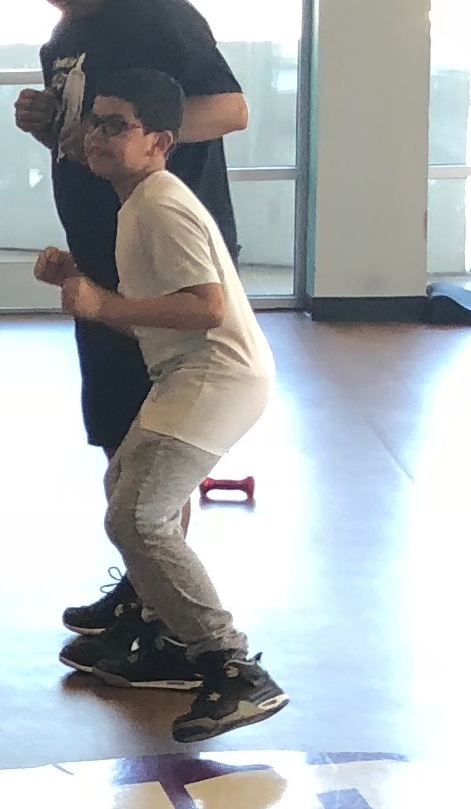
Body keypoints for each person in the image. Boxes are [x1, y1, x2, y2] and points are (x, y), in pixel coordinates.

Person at [11, 0, 248, 637]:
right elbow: (81, 140)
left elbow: (232, 109)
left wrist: (133, 136)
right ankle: (145, 582)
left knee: (157, 441)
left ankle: (168, 611)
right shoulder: (65, 35)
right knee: (121, 432)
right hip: (101, 250)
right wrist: (51, 123)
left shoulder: (157, 17)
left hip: (163, 257)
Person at [30, 68, 287, 742]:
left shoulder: (161, 205)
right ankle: (169, 637)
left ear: (160, 143)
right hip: (188, 373)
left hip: (216, 376)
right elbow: (152, 314)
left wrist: (103, 305)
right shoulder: (138, 203)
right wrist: (79, 281)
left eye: (117, 125)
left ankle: (232, 666)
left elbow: (206, 308)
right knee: (127, 487)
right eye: (95, 122)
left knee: (138, 516)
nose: (97, 136)